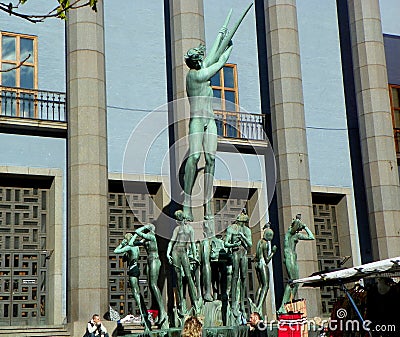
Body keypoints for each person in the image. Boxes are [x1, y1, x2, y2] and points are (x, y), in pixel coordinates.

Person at [182, 4, 252, 222]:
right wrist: (228, 46)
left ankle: (209, 208)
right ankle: (186, 204)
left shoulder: (201, 69)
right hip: (196, 121)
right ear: (195, 62)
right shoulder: (195, 76)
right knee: (194, 158)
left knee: (211, 161)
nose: (202, 58)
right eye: (200, 57)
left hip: (209, 121)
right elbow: (219, 62)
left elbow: (213, 56)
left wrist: (225, 41)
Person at [114, 233, 151, 331]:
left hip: (133, 270)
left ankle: (143, 314)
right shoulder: (136, 247)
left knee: (136, 293)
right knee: (137, 292)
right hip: (136, 269)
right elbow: (125, 257)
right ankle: (144, 313)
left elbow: (116, 251)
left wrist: (122, 244)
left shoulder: (130, 247)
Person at [134, 223, 169, 329]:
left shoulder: (152, 236)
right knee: (150, 285)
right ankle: (159, 311)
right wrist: (133, 238)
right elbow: (133, 243)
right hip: (149, 261)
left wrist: (144, 228)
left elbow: (137, 231)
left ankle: (162, 311)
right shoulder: (146, 239)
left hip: (155, 259)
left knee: (154, 285)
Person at [278, 214, 315, 313]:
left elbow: (312, 237)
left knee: (296, 283)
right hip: (289, 257)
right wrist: (298, 222)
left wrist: (305, 227)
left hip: (293, 257)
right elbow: (294, 226)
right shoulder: (289, 233)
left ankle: (288, 304)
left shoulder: (296, 235)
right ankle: (282, 306)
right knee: (292, 282)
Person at [167, 210, 200, 316]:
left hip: (183, 252)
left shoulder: (190, 229)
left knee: (189, 277)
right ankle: (181, 304)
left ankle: (195, 302)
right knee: (178, 278)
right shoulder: (177, 229)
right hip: (176, 251)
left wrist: (195, 256)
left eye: (179, 217)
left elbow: (193, 244)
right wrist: (168, 254)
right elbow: (171, 241)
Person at [224, 209, 252, 320]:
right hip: (235, 252)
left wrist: (243, 237)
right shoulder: (231, 229)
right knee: (235, 276)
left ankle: (242, 304)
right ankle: (234, 303)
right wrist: (233, 244)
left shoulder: (247, 230)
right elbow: (226, 243)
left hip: (244, 253)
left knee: (244, 277)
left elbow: (249, 244)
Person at [249, 223, 277, 315]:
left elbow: (256, 256)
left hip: (257, 264)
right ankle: (259, 305)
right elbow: (267, 259)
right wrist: (273, 252)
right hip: (262, 265)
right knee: (265, 286)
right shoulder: (265, 244)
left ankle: (256, 304)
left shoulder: (259, 242)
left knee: (261, 285)